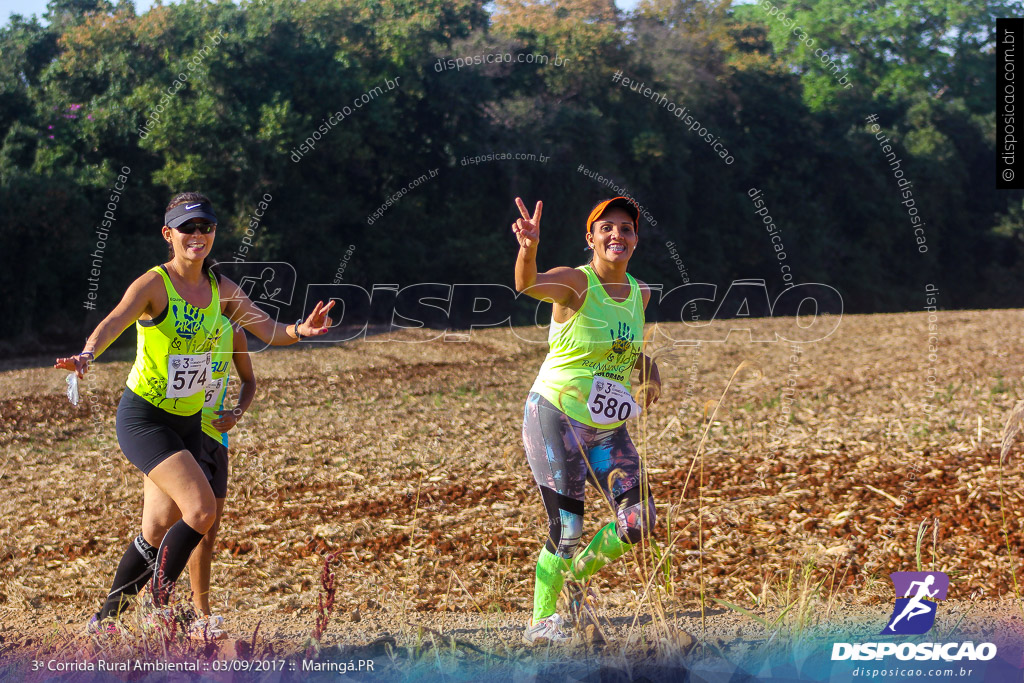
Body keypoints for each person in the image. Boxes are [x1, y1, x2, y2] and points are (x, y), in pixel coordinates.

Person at [54, 192, 334, 633]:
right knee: (201, 511)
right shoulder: (154, 284)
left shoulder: (222, 290)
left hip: (187, 423)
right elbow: (114, 321)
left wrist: (302, 329)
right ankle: (160, 606)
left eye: (206, 227)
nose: (198, 236)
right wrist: (87, 354)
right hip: (144, 417)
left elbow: (269, 330)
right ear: (169, 235)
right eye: (188, 228)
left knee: (154, 531)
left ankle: (104, 623)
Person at [512, 196, 661, 645]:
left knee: (639, 521)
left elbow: (626, 348)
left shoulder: (641, 293)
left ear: (636, 240)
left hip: (605, 429)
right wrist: (528, 247)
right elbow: (527, 284)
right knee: (569, 528)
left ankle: (576, 575)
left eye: (627, 228)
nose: (618, 234)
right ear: (591, 238)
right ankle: (541, 621)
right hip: (554, 416)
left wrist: (649, 372)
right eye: (607, 227)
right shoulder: (576, 283)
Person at [183, 314, 255, 639]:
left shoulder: (234, 332)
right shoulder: (182, 328)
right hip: (184, 437)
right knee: (174, 529)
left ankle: (201, 614)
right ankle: (171, 611)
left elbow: (249, 381)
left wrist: (236, 414)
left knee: (209, 534)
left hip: (218, 440)